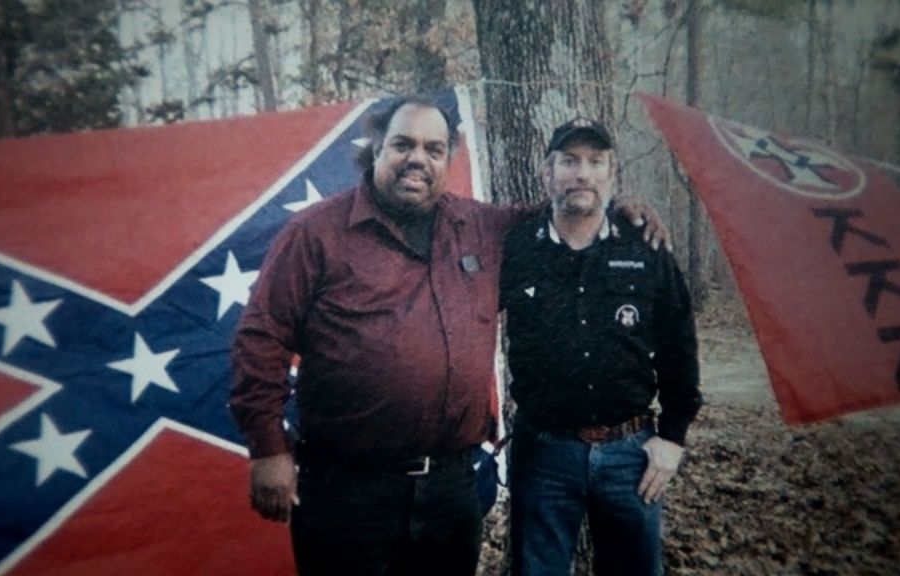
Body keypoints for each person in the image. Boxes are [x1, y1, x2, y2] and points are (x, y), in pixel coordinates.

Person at [229, 97, 669, 576]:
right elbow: (261, 338)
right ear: (376, 148)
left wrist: (622, 209)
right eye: (403, 144)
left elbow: (567, 214)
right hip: (347, 491)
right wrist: (269, 449)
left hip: (449, 490)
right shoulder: (317, 233)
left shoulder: (482, 227)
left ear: (448, 159)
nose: (418, 158)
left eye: (434, 149)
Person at [500, 118, 702, 576]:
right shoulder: (515, 249)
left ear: (612, 174)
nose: (582, 174)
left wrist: (672, 438)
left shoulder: (645, 248)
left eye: (596, 162)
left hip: (631, 453)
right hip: (544, 453)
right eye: (569, 161)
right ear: (546, 172)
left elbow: (680, 347)